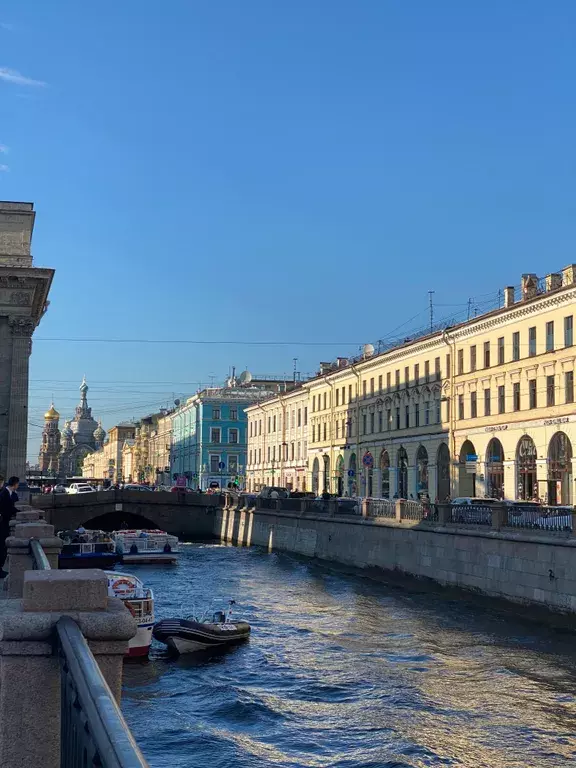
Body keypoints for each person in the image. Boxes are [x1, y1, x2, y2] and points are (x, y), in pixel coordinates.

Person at [0, 476, 18, 577]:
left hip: (4, 522)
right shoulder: (4, 493)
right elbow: (8, 508)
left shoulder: (5, 492)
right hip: (3, 523)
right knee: (2, 546)